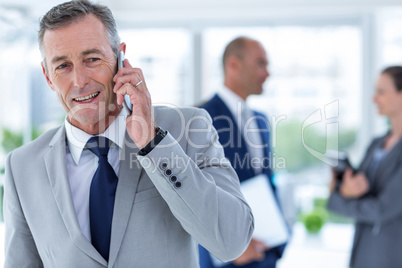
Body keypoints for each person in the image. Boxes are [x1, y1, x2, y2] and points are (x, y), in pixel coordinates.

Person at [3, 1, 254, 267]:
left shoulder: (188, 128)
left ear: (120, 58)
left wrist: (153, 142)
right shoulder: (22, 167)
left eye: (92, 59)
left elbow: (232, 241)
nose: (79, 81)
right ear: (47, 75)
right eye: (63, 65)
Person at [199, 37, 287, 268]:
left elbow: (265, 181)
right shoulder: (199, 117)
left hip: (266, 249)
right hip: (229, 256)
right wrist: (226, 250)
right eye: (260, 64)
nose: (267, 73)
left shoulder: (261, 120)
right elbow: (193, 191)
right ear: (234, 66)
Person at [327, 66, 402, 268]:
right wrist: (344, 187)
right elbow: (359, 190)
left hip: (391, 256)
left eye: (381, 92)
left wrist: (337, 198)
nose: (373, 99)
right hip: (364, 251)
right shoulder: (376, 143)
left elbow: (382, 210)